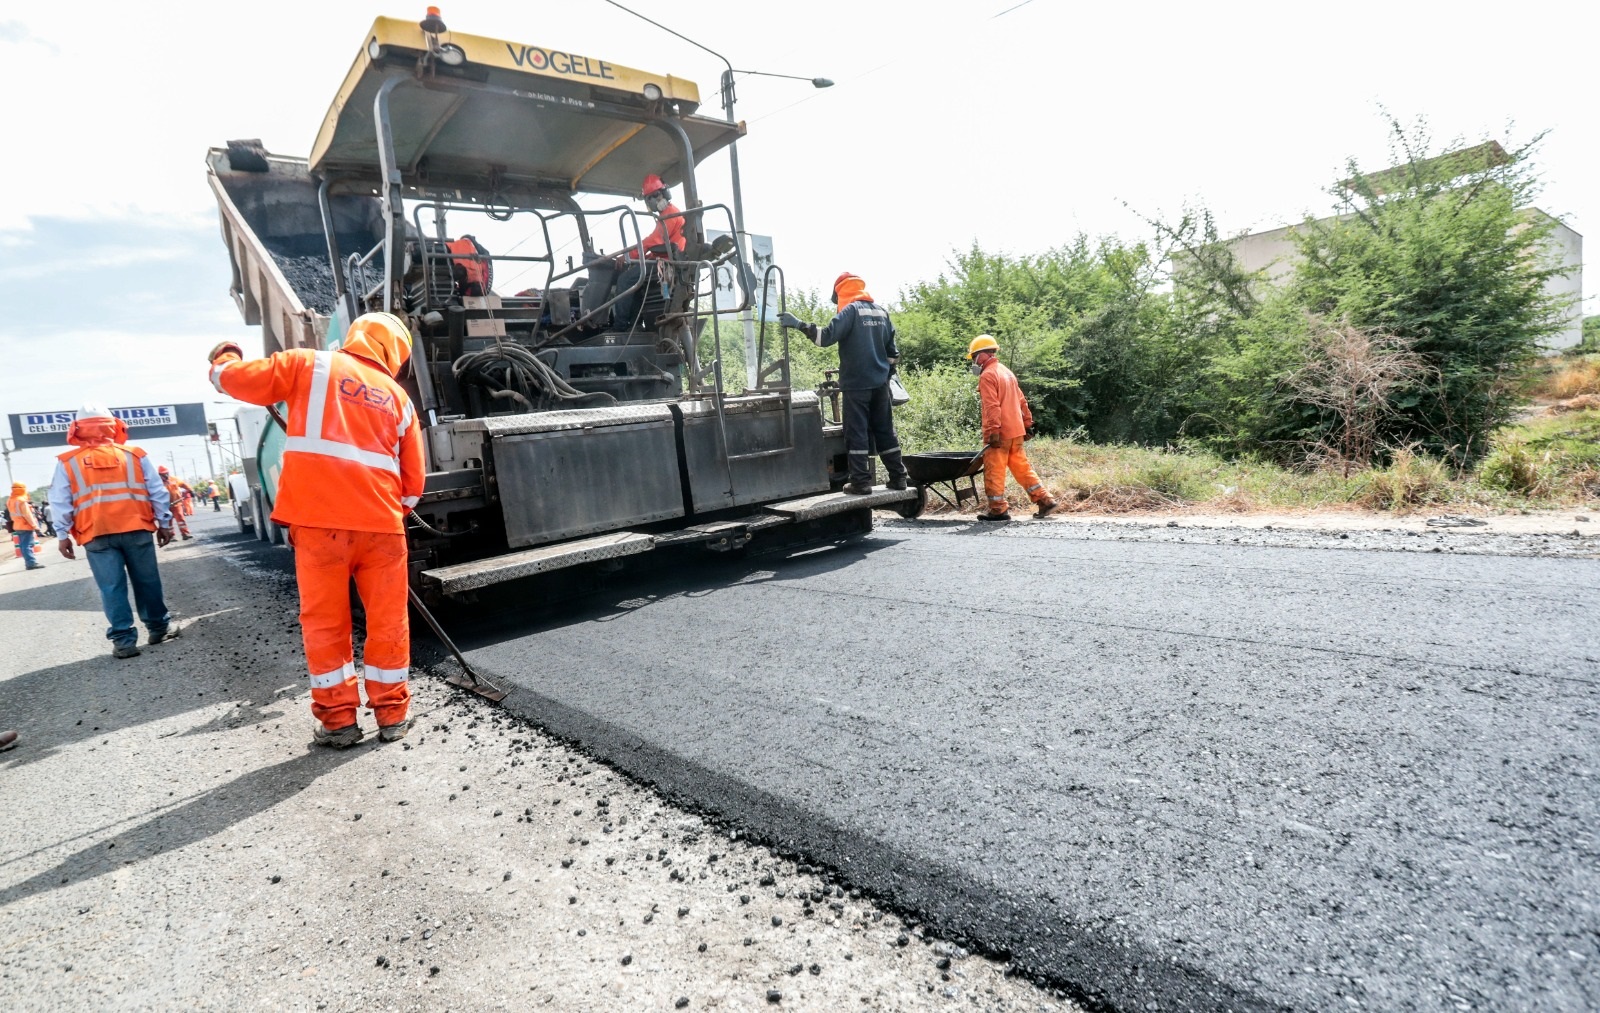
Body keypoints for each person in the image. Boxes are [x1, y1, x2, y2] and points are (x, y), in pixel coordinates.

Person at [208, 313, 426, 748]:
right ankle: (393, 716)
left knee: (326, 624)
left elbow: (237, 380)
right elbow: (413, 481)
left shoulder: (311, 365)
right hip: (382, 528)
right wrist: (387, 515)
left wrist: (224, 358)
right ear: (396, 352)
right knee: (388, 622)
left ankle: (339, 722)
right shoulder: (399, 400)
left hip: (320, 527)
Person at [49, 404, 179, 658]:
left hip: (96, 533)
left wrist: (62, 535)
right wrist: (164, 524)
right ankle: (159, 628)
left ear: (76, 429)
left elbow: (60, 502)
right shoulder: (135, 455)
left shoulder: (68, 463)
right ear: (115, 425)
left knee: (111, 587)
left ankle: (123, 641)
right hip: (137, 528)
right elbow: (157, 492)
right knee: (147, 581)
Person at [779, 273, 909, 494]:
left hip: (857, 384)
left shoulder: (851, 311)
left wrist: (799, 324)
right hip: (880, 385)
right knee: (885, 431)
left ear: (841, 292)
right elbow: (893, 353)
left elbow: (825, 338)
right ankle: (899, 478)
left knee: (856, 431)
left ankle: (860, 482)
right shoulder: (881, 312)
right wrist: (886, 375)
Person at [965, 335, 1057, 521]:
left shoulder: (988, 375)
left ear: (982, 355)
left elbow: (992, 407)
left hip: (1000, 434)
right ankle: (1045, 500)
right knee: (1022, 468)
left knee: (994, 471)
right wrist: (1028, 424)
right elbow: (1021, 401)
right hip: (1016, 431)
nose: (974, 361)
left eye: (974, 357)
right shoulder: (1006, 372)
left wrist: (993, 432)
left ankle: (998, 510)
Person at [611, 173, 687, 331]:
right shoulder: (666, 216)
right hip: (664, 260)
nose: (655, 200)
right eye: (651, 197)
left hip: (666, 264)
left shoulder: (670, 215)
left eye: (656, 195)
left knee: (624, 280)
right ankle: (635, 325)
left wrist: (628, 256)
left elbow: (653, 241)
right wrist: (641, 258)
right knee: (636, 282)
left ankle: (620, 327)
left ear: (665, 193)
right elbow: (656, 245)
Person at [6, 482, 46, 571]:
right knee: (27, 545)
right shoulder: (21, 501)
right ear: (22, 489)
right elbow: (27, 515)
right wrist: (35, 526)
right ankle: (31, 563)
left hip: (17, 525)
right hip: (25, 525)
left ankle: (29, 562)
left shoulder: (10, 500)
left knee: (23, 545)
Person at [157, 467, 193, 541]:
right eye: (163, 474)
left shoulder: (174, 479)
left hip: (177, 503)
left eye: (167, 473)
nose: (166, 475)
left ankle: (185, 534)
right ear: (159, 475)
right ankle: (171, 536)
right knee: (168, 521)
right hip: (165, 506)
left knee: (180, 518)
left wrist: (190, 490)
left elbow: (183, 484)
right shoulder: (157, 482)